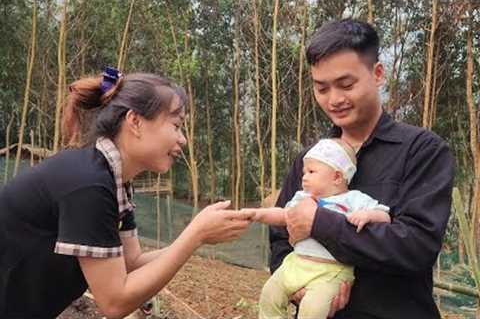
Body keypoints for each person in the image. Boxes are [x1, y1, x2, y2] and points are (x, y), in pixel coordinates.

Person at [0, 68, 254, 318]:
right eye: (176, 126)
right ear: (134, 121)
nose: (183, 140)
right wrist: (195, 234)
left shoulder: (115, 183)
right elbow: (114, 302)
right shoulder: (88, 184)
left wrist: (197, 238)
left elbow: (131, 263)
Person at [270, 19, 455, 319]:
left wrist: (321, 223)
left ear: (378, 74)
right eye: (322, 88)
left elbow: (417, 246)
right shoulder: (310, 159)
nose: (334, 100)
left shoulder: (422, 150)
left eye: (346, 85)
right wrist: (297, 289)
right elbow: (280, 238)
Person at [248, 138, 391, 319]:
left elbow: (384, 215)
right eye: (304, 172)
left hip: (330, 272)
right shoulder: (302, 197)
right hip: (295, 263)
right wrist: (257, 215)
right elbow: (284, 215)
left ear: (337, 176)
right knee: (269, 295)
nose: (304, 176)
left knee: (313, 310)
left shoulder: (354, 199)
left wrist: (367, 215)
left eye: (311, 171)